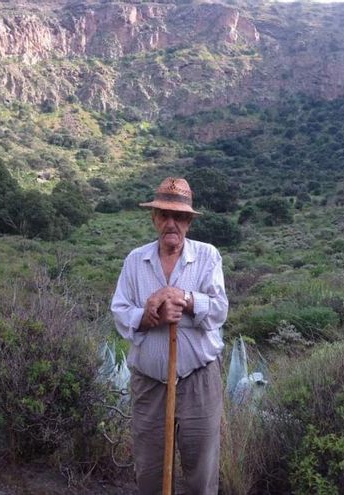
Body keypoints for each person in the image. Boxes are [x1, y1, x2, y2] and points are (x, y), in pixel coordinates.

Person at [111, 177, 228, 494]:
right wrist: (150, 317)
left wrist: (186, 299)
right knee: (149, 471)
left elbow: (219, 311)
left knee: (200, 473)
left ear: (189, 221)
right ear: (154, 219)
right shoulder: (136, 260)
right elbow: (120, 311)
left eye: (179, 216)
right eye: (163, 215)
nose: (170, 223)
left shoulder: (207, 257)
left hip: (198, 380)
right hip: (150, 383)